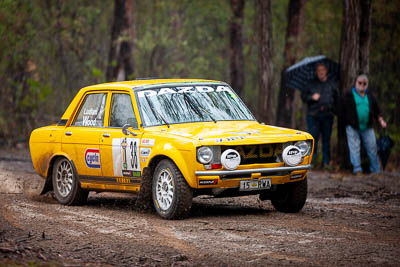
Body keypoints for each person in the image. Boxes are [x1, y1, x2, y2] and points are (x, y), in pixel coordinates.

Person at [340, 74, 387, 175]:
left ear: (367, 84)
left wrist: (381, 121)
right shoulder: (348, 95)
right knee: (354, 148)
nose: (362, 85)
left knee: (372, 147)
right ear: (356, 83)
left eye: (364, 83)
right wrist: (346, 122)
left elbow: (376, 110)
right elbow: (341, 111)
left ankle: (376, 170)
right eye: (360, 83)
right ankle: (357, 169)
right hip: (352, 126)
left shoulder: (369, 95)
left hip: (368, 126)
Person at [301, 63, 339, 169]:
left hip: (327, 115)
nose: (321, 72)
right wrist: (312, 97)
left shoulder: (332, 83)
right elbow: (303, 97)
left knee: (326, 140)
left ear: (326, 70)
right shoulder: (311, 83)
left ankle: (326, 163)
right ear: (316, 71)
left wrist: (333, 110)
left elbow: (337, 99)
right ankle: (312, 162)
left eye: (322, 70)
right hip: (313, 116)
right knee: (313, 139)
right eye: (318, 70)